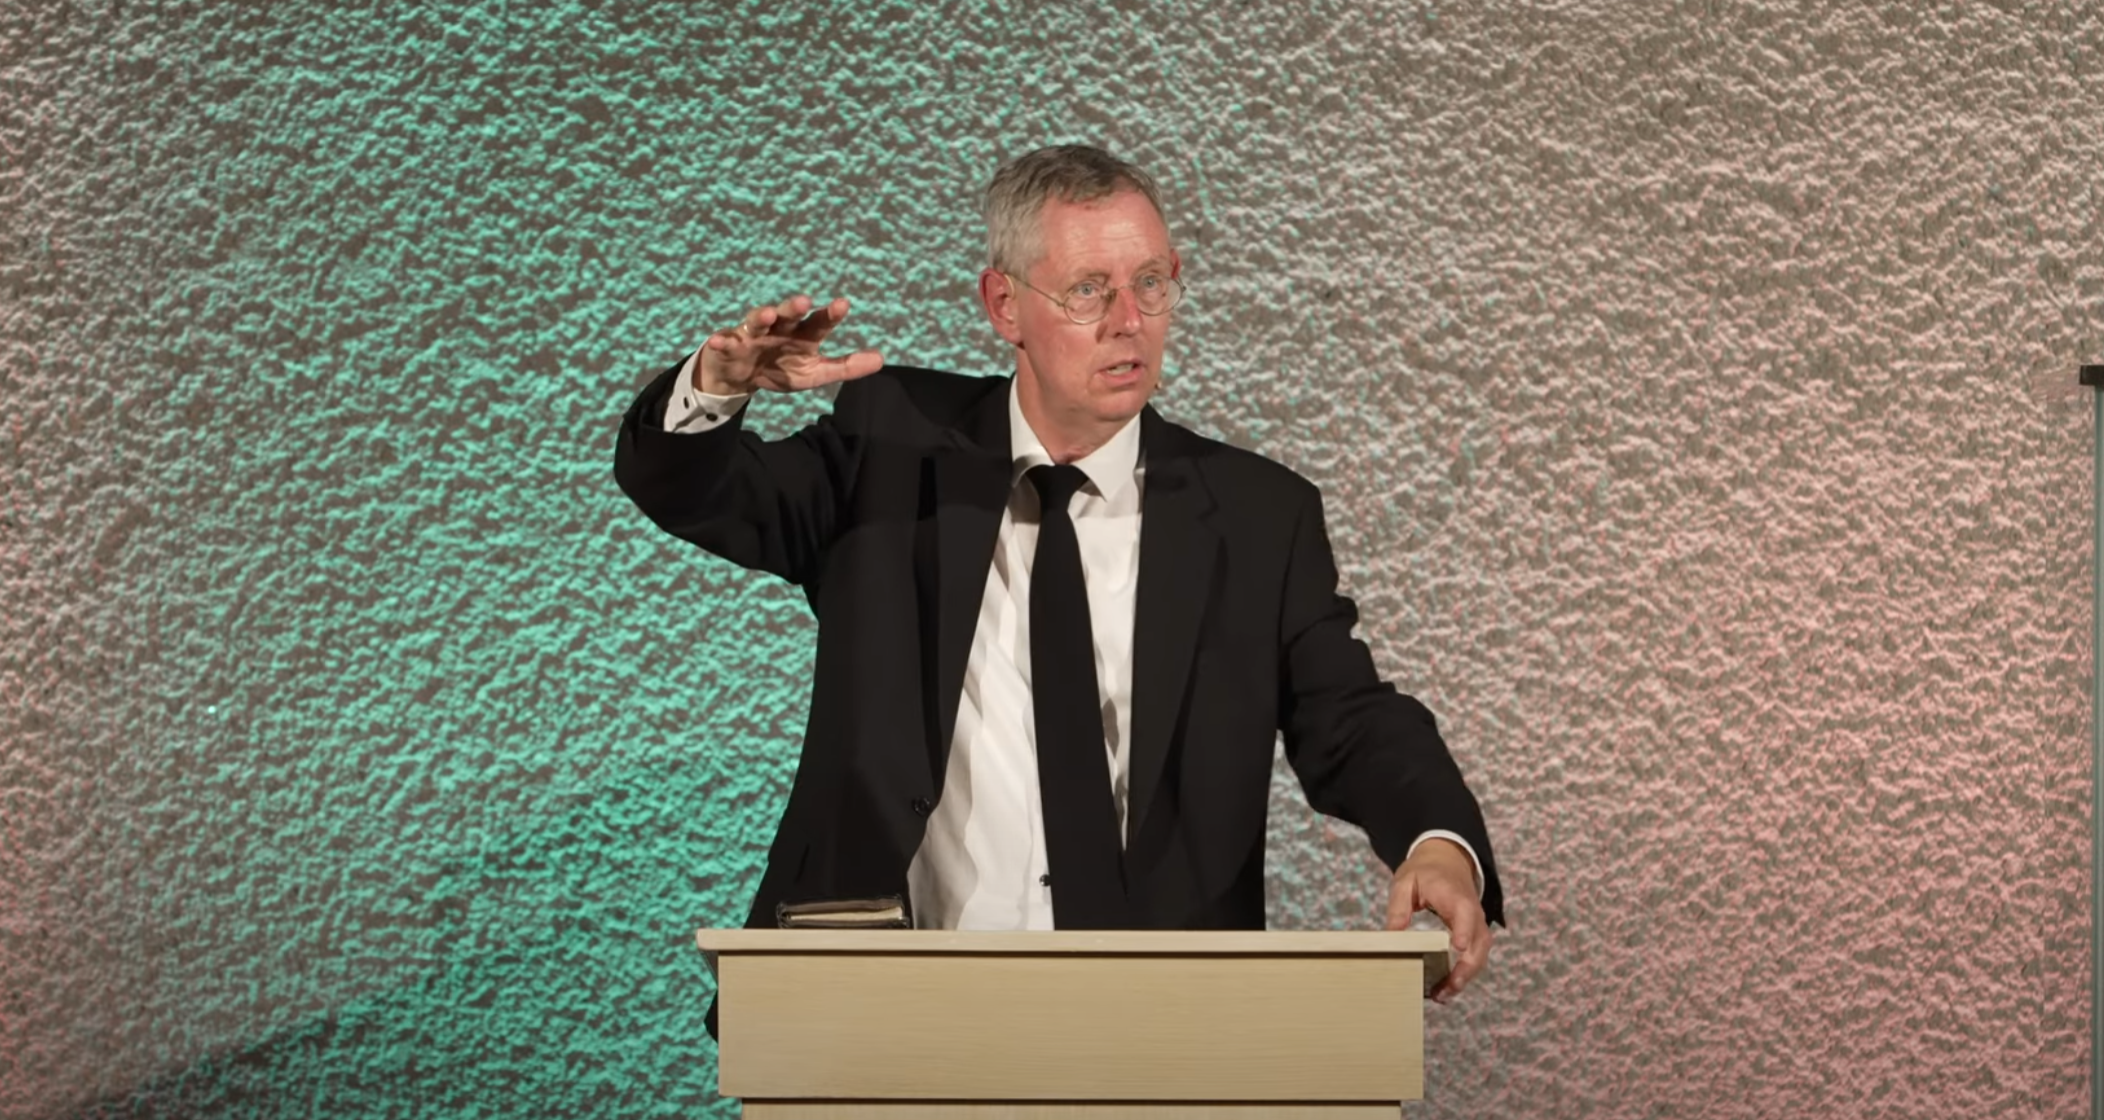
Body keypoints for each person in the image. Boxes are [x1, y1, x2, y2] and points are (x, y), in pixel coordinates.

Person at [615, 144, 1504, 1018]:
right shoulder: (889, 448)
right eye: (1087, 290)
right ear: (1004, 305)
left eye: (1150, 282)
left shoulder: (1256, 516)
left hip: (1160, 1022)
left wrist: (1438, 840)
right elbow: (700, 494)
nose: (1129, 320)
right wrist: (713, 392)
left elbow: (1349, 716)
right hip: (885, 1008)